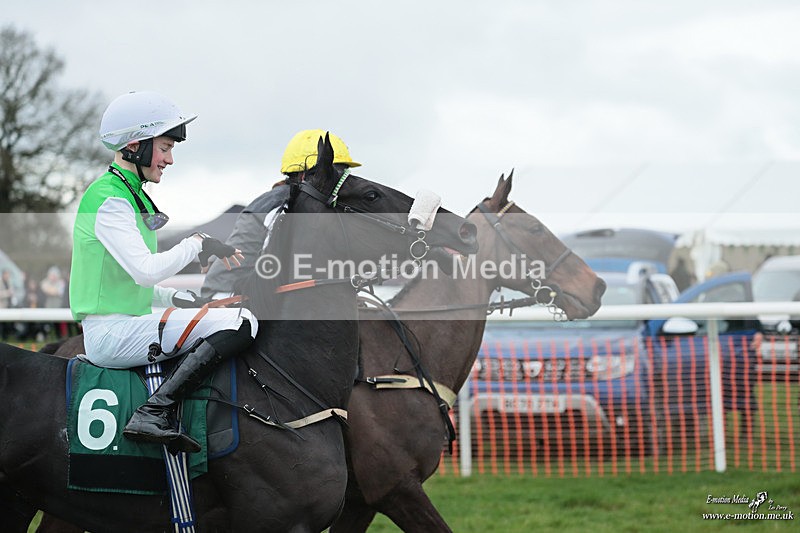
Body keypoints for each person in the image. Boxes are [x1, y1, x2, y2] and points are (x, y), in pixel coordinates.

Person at [70, 90, 258, 453]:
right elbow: (144, 271)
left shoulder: (125, 192)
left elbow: (127, 280)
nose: (170, 160)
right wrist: (197, 243)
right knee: (242, 322)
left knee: (218, 308)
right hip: (112, 333)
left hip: (123, 321)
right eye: (166, 148)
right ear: (135, 146)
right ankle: (154, 410)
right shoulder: (109, 199)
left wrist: (183, 297)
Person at [200, 129, 361, 298]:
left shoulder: (304, 202)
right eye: (333, 173)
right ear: (305, 175)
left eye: (343, 172)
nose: (339, 180)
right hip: (226, 299)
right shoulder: (282, 204)